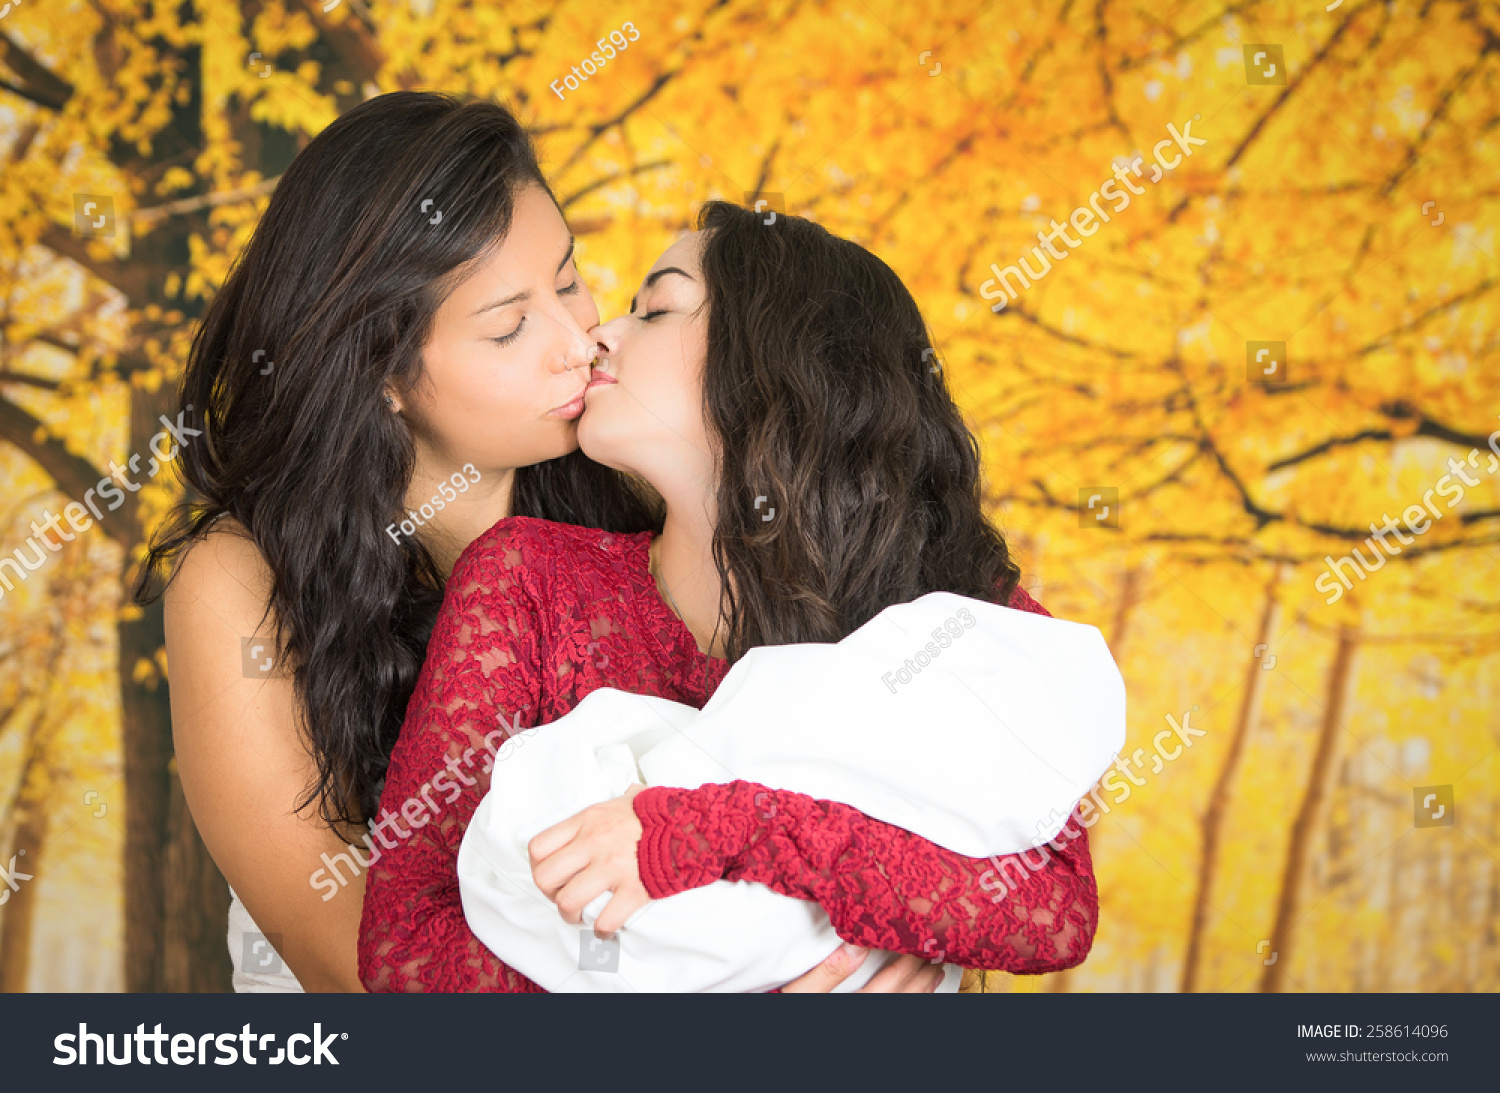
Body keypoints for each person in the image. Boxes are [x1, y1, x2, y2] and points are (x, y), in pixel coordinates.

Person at [138, 90, 931, 995]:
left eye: (568, 278)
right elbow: (360, 968)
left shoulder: (646, 487)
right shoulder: (241, 582)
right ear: (381, 375)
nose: (579, 341)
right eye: (509, 326)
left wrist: (886, 929)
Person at [358, 202, 1103, 992]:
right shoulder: (528, 578)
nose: (598, 335)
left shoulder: (950, 606)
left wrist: (718, 829)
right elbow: (406, 946)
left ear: (777, 367)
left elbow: (1053, 908)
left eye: (656, 308)